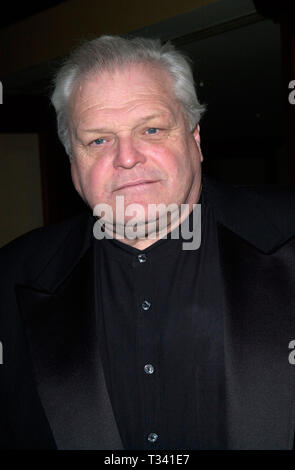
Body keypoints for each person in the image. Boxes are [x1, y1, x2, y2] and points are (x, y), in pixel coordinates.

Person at [1, 35, 295, 450]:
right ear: (72, 158)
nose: (126, 157)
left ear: (195, 139)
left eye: (152, 129)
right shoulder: (10, 278)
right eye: (99, 140)